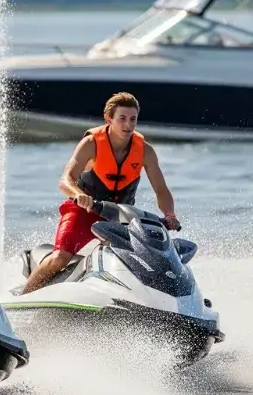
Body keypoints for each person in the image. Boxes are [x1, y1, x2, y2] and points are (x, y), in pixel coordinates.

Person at [21, 92, 180, 295]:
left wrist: (170, 215)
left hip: (119, 216)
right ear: (109, 119)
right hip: (82, 210)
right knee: (60, 257)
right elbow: (65, 180)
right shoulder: (91, 144)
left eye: (133, 119)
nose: (128, 125)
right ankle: (24, 297)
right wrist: (78, 194)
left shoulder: (145, 151)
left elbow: (161, 190)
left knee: (143, 260)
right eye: (122, 118)